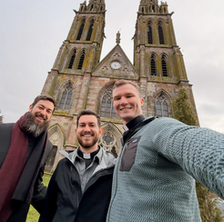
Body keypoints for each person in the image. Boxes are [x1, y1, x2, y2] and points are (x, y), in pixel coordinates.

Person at [106, 80, 224, 222]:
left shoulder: (159, 127)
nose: (123, 102)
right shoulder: (128, 141)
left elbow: (196, 143)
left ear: (142, 101)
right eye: (117, 98)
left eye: (129, 96)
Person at [39, 109, 116, 222]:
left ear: (100, 132)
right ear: (76, 131)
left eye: (91, 125)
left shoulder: (112, 167)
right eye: (82, 125)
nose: (86, 129)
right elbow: (48, 209)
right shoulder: (63, 165)